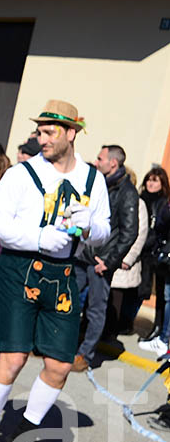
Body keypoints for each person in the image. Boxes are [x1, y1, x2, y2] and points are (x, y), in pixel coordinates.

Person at [0, 100, 110, 442]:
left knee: (60, 364)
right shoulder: (21, 174)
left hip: (64, 273)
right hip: (20, 268)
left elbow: (106, 230)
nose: (41, 138)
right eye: (40, 131)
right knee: (14, 358)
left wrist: (90, 225)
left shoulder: (93, 179)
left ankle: (25, 432)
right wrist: (38, 237)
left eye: (49, 132)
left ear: (71, 133)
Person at [72, 145, 138, 371]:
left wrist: (109, 261)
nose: (96, 162)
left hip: (101, 261)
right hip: (83, 253)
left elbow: (130, 232)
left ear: (113, 163)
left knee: (95, 309)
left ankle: (85, 355)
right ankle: (62, 346)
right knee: (66, 299)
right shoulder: (100, 185)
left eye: (100, 159)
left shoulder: (127, 192)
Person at [107, 182, 148, 340]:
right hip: (110, 254)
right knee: (106, 296)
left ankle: (111, 331)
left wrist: (128, 258)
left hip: (124, 257)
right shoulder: (112, 197)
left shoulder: (138, 203)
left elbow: (140, 233)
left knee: (117, 296)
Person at [138, 167, 170, 351]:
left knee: (162, 294)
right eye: (149, 179)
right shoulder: (140, 199)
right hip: (146, 251)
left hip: (155, 253)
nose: (151, 183)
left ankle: (160, 330)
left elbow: (160, 227)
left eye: (155, 180)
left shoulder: (163, 203)